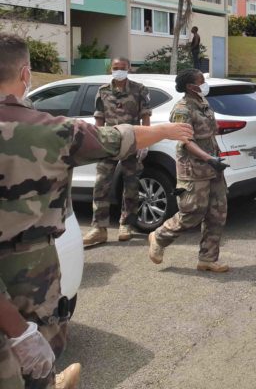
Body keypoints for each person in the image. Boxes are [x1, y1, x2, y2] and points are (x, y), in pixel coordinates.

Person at [0, 33, 193, 389]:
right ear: (26, 74)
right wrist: (167, 131)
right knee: (29, 365)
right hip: (28, 273)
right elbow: (113, 136)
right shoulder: (51, 131)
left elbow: (123, 132)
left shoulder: (134, 94)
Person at [148, 69, 230, 272]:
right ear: (191, 87)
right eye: (201, 81)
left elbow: (209, 133)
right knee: (192, 213)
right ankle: (159, 237)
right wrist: (209, 158)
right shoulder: (182, 109)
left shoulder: (203, 104)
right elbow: (186, 141)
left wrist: (215, 157)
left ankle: (208, 259)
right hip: (194, 169)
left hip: (213, 167)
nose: (205, 84)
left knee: (217, 213)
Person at [82, 58, 152, 247]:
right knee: (101, 184)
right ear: (110, 69)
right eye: (115, 68)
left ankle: (126, 224)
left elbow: (146, 116)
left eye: (122, 68)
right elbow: (99, 118)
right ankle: (99, 228)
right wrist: (96, 141)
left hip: (131, 139)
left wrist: (145, 142)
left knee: (131, 184)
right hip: (108, 140)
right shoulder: (103, 91)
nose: (119, 71)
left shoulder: (139, 89)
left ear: (129, 69)